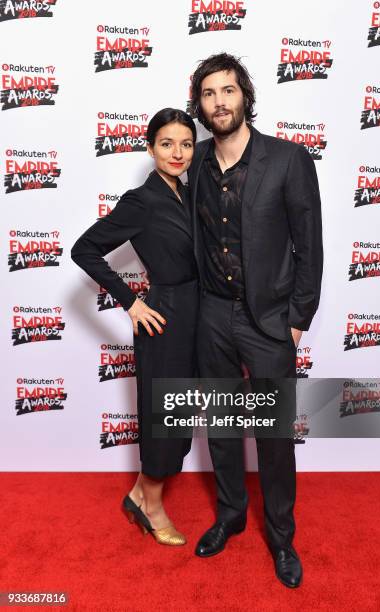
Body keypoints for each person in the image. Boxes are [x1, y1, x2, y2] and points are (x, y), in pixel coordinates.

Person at [188, 53, 323, 586]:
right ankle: (230, 517)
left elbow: (309, 244)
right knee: (221, 427)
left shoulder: (289, 160)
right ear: (198, 104)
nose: (219, 101)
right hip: (212, 314)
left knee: (273, 437)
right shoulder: (194, 160)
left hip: (268, 320)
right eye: (208, 93)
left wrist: (298, 317)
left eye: (228, 90)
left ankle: (283, 538)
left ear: (245, 94)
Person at [71, 108, 198, 546]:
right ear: (150, 148)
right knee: (164, 415)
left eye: (185, 144)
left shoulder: (190, 192)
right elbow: (84, 249)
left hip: (197, 316)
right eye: (167, 143)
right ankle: (152, 503)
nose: (177, 152)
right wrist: (130, 301)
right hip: (163, 318)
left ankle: (139, 493)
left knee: (182, 413)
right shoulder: (141, 201)